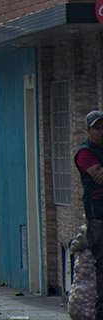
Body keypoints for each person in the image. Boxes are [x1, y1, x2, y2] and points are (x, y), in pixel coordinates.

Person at [74, 110, 103, 320]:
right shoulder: (85, 153)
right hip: (98, 219)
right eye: (97, 128)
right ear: (88, 131)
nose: (101, 131)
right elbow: (99, 177)